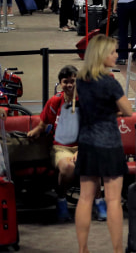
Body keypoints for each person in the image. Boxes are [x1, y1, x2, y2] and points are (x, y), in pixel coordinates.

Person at [75, 35, 133, 253]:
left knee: (85, 198)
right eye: (112, 52)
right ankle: (118, 250)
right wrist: (113, 111)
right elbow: (128, 111)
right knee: (113, 200)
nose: (116, 55)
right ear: (101, 55)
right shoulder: (109, 81)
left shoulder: (81, 80)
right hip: (109, 144)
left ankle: (83, 249)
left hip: (87, 143)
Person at [27, 65, 108, 222]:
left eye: (73, 81)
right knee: (68, 167)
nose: (70, 84)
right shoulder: (55, 101)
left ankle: (99, 203)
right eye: (66, 81)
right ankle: (62, 201)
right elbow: (43, 124)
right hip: (60, 147)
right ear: (60, 83)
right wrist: (35, 131)